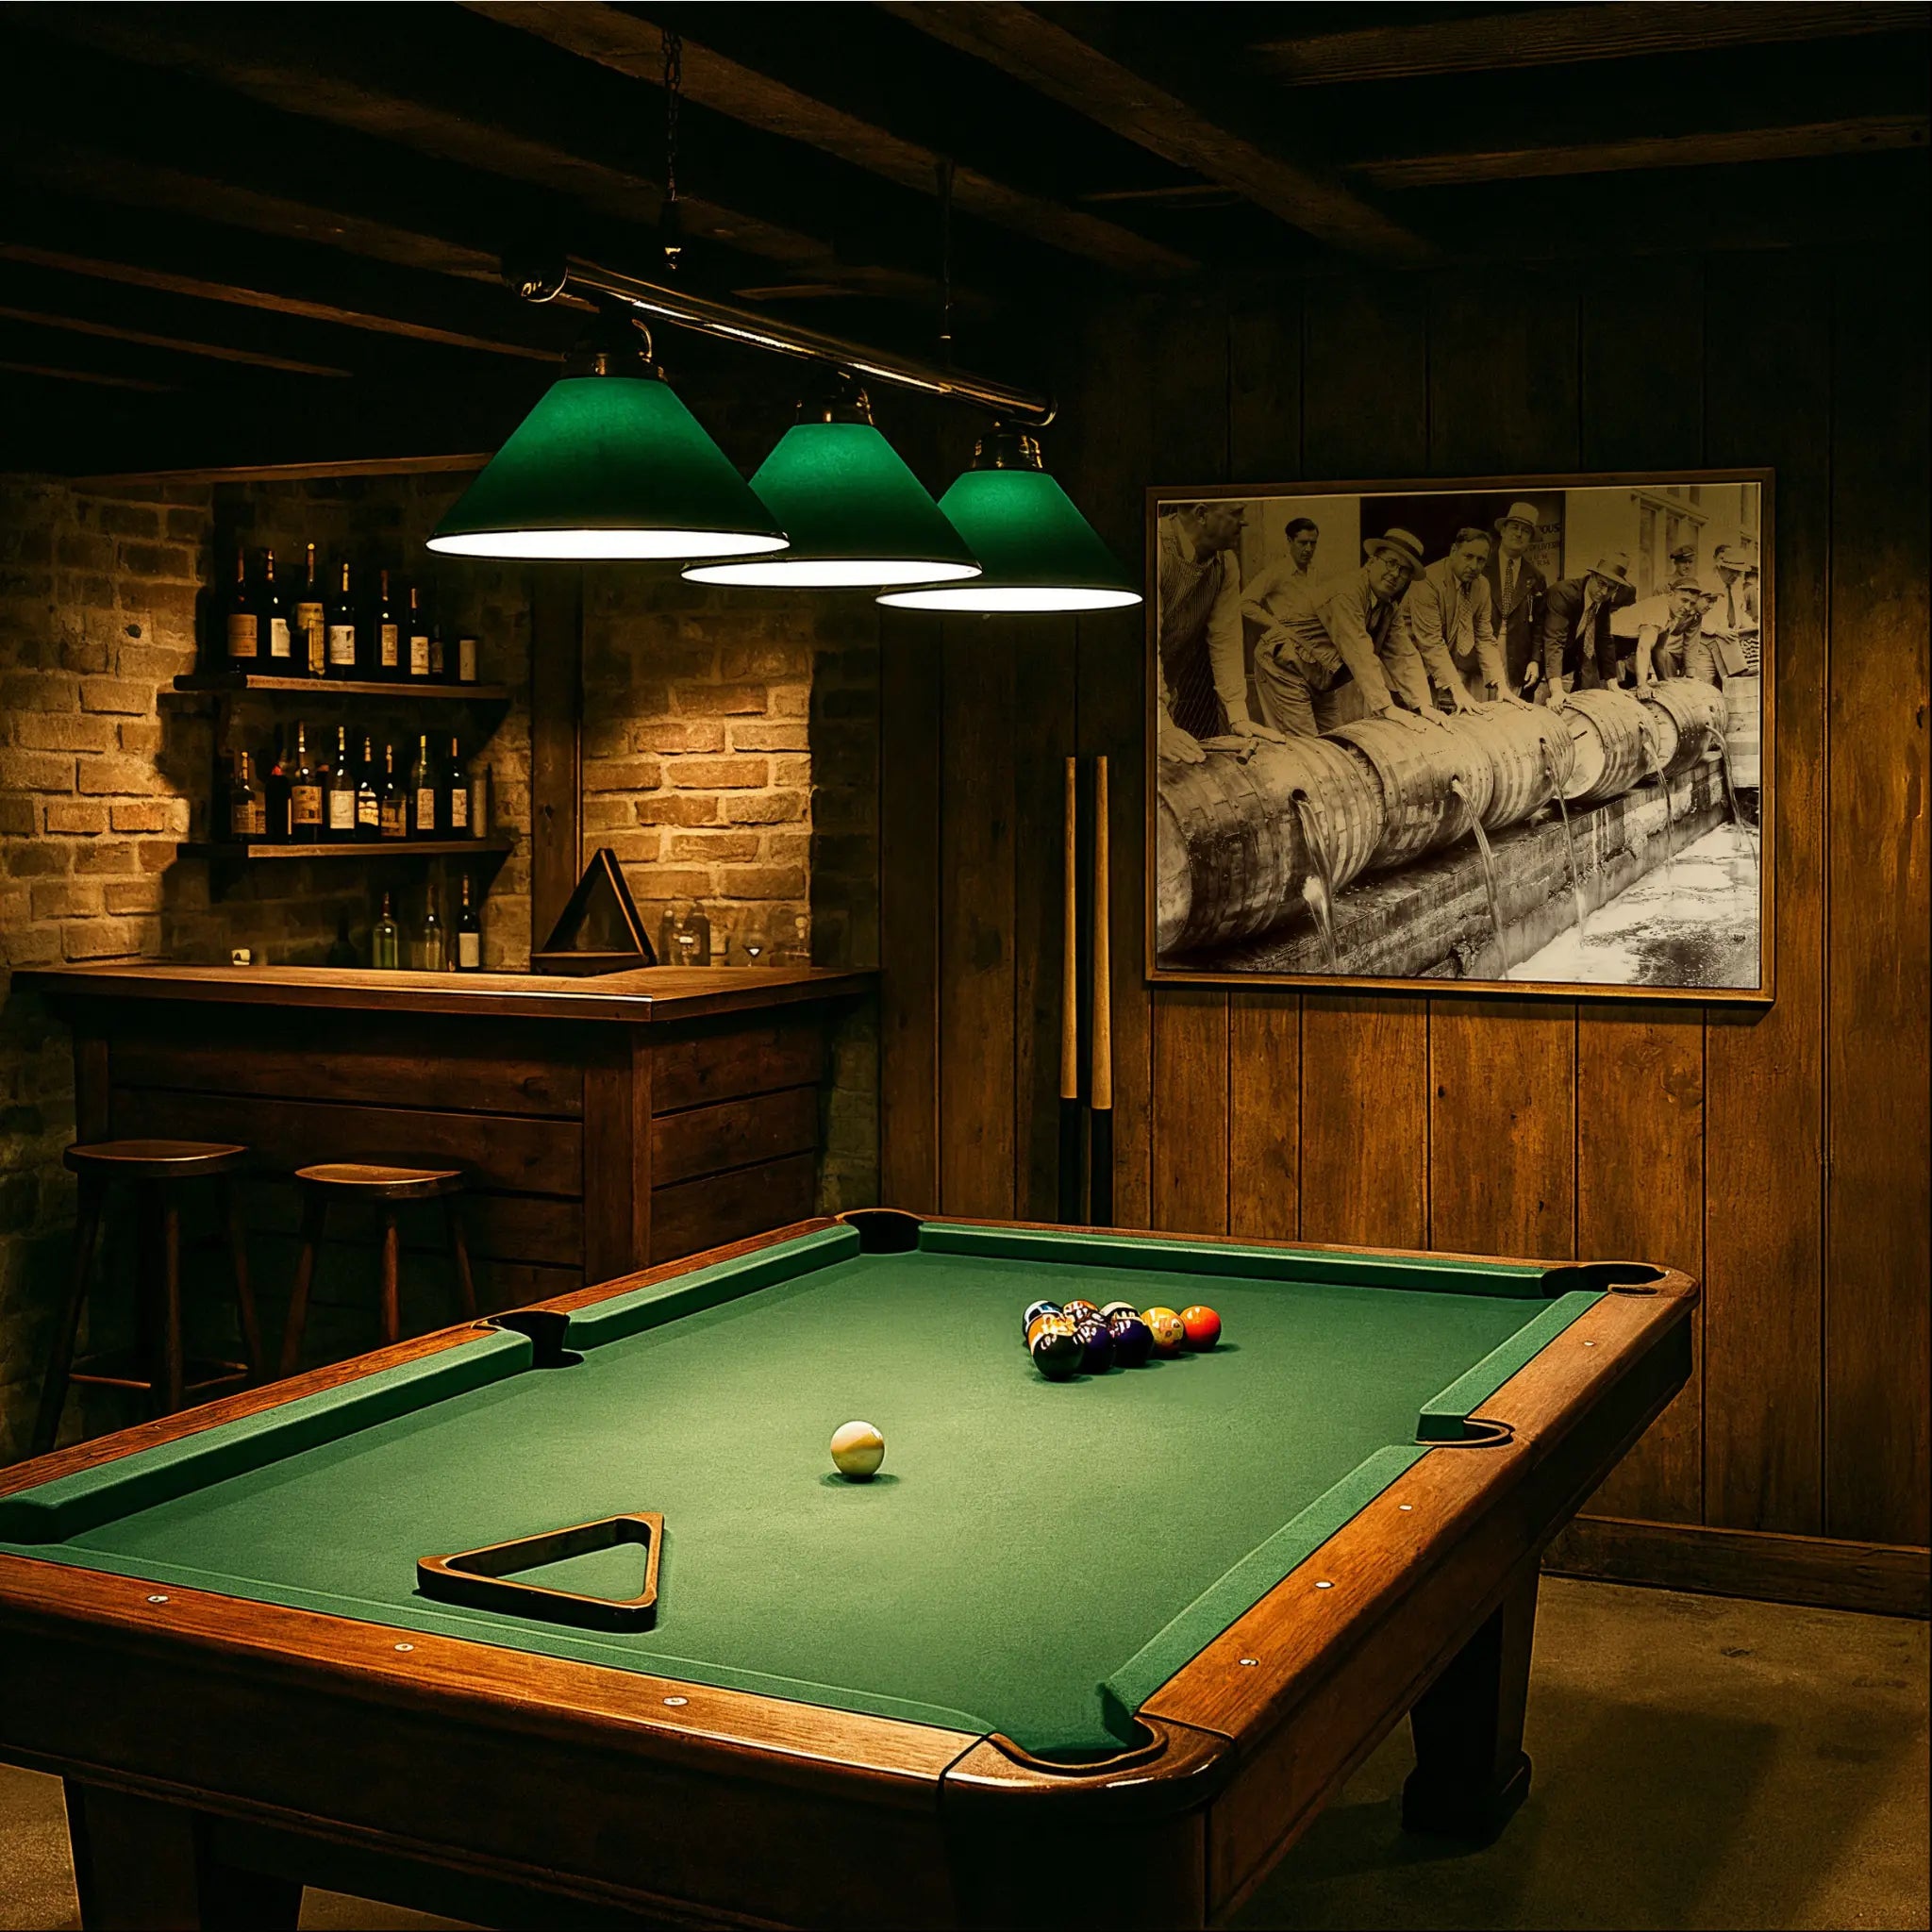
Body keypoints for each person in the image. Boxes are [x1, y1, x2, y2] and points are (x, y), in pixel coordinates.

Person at [1252, 528, 1443, 738]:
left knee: (1336, 743)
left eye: (1404, 570)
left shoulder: (1388, 608)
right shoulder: (1347, 592)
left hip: (1320, 676)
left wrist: (1424, 706)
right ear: (1372, 561)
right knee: (1303, 748)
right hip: (1284, 666)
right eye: (1391, 563)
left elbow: (1403, 655)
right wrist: (1387, 708)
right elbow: (1358, 649)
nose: (1395, 574)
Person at [1156, 501, 1283, 765]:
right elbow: (1141, 646)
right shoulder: (1152, 546)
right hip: (1123, 694)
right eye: (1236, 513)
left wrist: (1238, 715)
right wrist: (1159, 725)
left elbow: (1226, 640)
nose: (1244, 521)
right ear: (1201, 514)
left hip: (1161, 695)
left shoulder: (1225, 564)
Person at [1398, 527, 1531, 711]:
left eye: (1481, 560)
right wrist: (1458, 689)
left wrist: (1501, 684)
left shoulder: (1481, 585)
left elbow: (1484, 637)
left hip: (1436, 670)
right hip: (1403, 668)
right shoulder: (1427, 581)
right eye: (1468, 557)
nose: (1474, 566)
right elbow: (1431, 642)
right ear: (1453, 551)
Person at [1540, 553, 1634, 708]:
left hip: (1565, 654)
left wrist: (1613, 684)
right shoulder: (1564, 593)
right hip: (1535, 652)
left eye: (1611, 588)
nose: (1604, 592)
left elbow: (1604, 638)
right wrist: (1556, 690)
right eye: (1601, 584)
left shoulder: (1602, 600)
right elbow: (1554, 640)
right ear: (1592, 576)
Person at [1485, 500, 1547, 698]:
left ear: (1530, 539)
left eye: (1526, 531)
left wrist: (1535, 660)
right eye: (1514, 527)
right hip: (1481, 650)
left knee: (1507, 714)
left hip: (1516, 656)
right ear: (1503, 530)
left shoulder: (1536, 577)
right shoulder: (1481, 566)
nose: (1519, 534)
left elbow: (1539, 625)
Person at [1612, 574, 1720, 686]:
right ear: (1670, 595)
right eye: (1684, 600)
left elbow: (1658, 649)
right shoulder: (1658, 608)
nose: (1687, 607)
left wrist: (1664, 682)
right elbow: (1643, 648)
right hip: (1606, 642)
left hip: (1622, 649)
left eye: (1692, 603)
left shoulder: (1674, 613)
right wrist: (1642, 685)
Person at [1241, 515, 1321, 632]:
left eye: (1312, 543)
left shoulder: (1314, 572)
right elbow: (1244, 603)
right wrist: (1276, 625)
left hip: (1310, 636)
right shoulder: (1277, 571)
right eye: (1303, 543)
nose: (1309, 549)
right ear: (1290, 541)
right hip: (1288, 639)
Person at [1703, 540, 1761, 673]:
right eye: (1732, 571)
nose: (1735, 576)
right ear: (1721, 567)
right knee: (1707, 683)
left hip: (1731, 644)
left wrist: (1752, 626)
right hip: (1707, 644)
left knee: (1734, 682)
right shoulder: (1705, 583)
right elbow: (1694, 616)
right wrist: (1717, 630)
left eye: (1739, 572)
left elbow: (1739, 612)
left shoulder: (1736, 586)